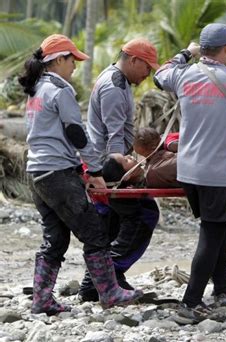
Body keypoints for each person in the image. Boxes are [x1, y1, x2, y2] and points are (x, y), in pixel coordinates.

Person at [19, 34, 143, 315]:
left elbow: (49, 136)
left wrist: (79, 171)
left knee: (56, 237)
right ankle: (110, 293)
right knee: (95, 233)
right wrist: (95, 170)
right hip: (56, 174)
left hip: (36, 172)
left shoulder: (37, 89)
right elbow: (76, 134)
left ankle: (42, 299)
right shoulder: (59, 90)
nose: (74, 66)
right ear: (58, 60)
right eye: (72, 60)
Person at [154, 23, 226, 324]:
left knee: (216, 229)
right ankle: (191, 302)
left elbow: (160, 74)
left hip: (187, 171)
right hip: (217, 172)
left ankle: (224, 290)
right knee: (212, 234)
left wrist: (188, 52)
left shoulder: (183, 75)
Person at [80, 38, 160, 301]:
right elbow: (115, 138)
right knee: (144, 215)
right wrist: (126, 177)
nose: (147, 75)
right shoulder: (114, 87)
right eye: (146, 68)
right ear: (133, 60)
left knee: (110, 226)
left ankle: (98, 282)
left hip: (105, 166)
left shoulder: (117, 79)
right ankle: (104, 277)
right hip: (110, 167)